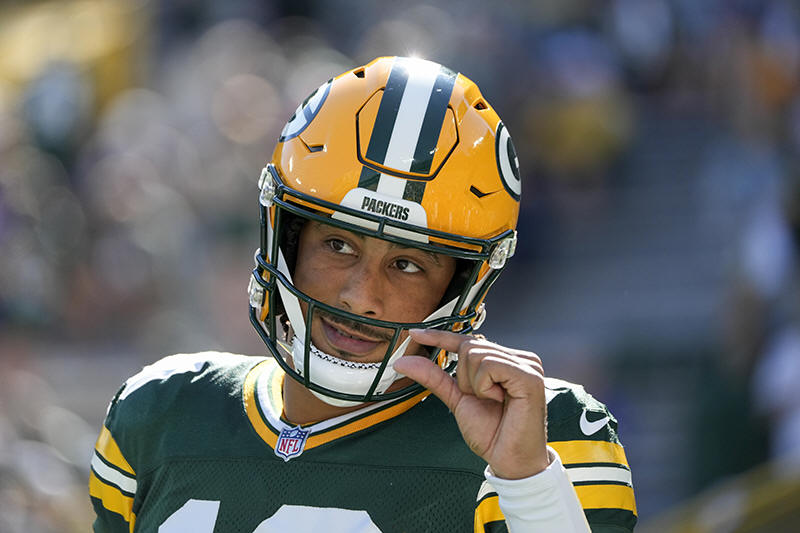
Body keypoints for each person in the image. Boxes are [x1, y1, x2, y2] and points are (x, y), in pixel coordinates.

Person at [89, 56, 637, 532]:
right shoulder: (163, 413)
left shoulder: (542, 436)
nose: (361, 296)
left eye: (407, 265)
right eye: (338, 245)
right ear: (287, 242)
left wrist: (528, 484)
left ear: (462, 285)